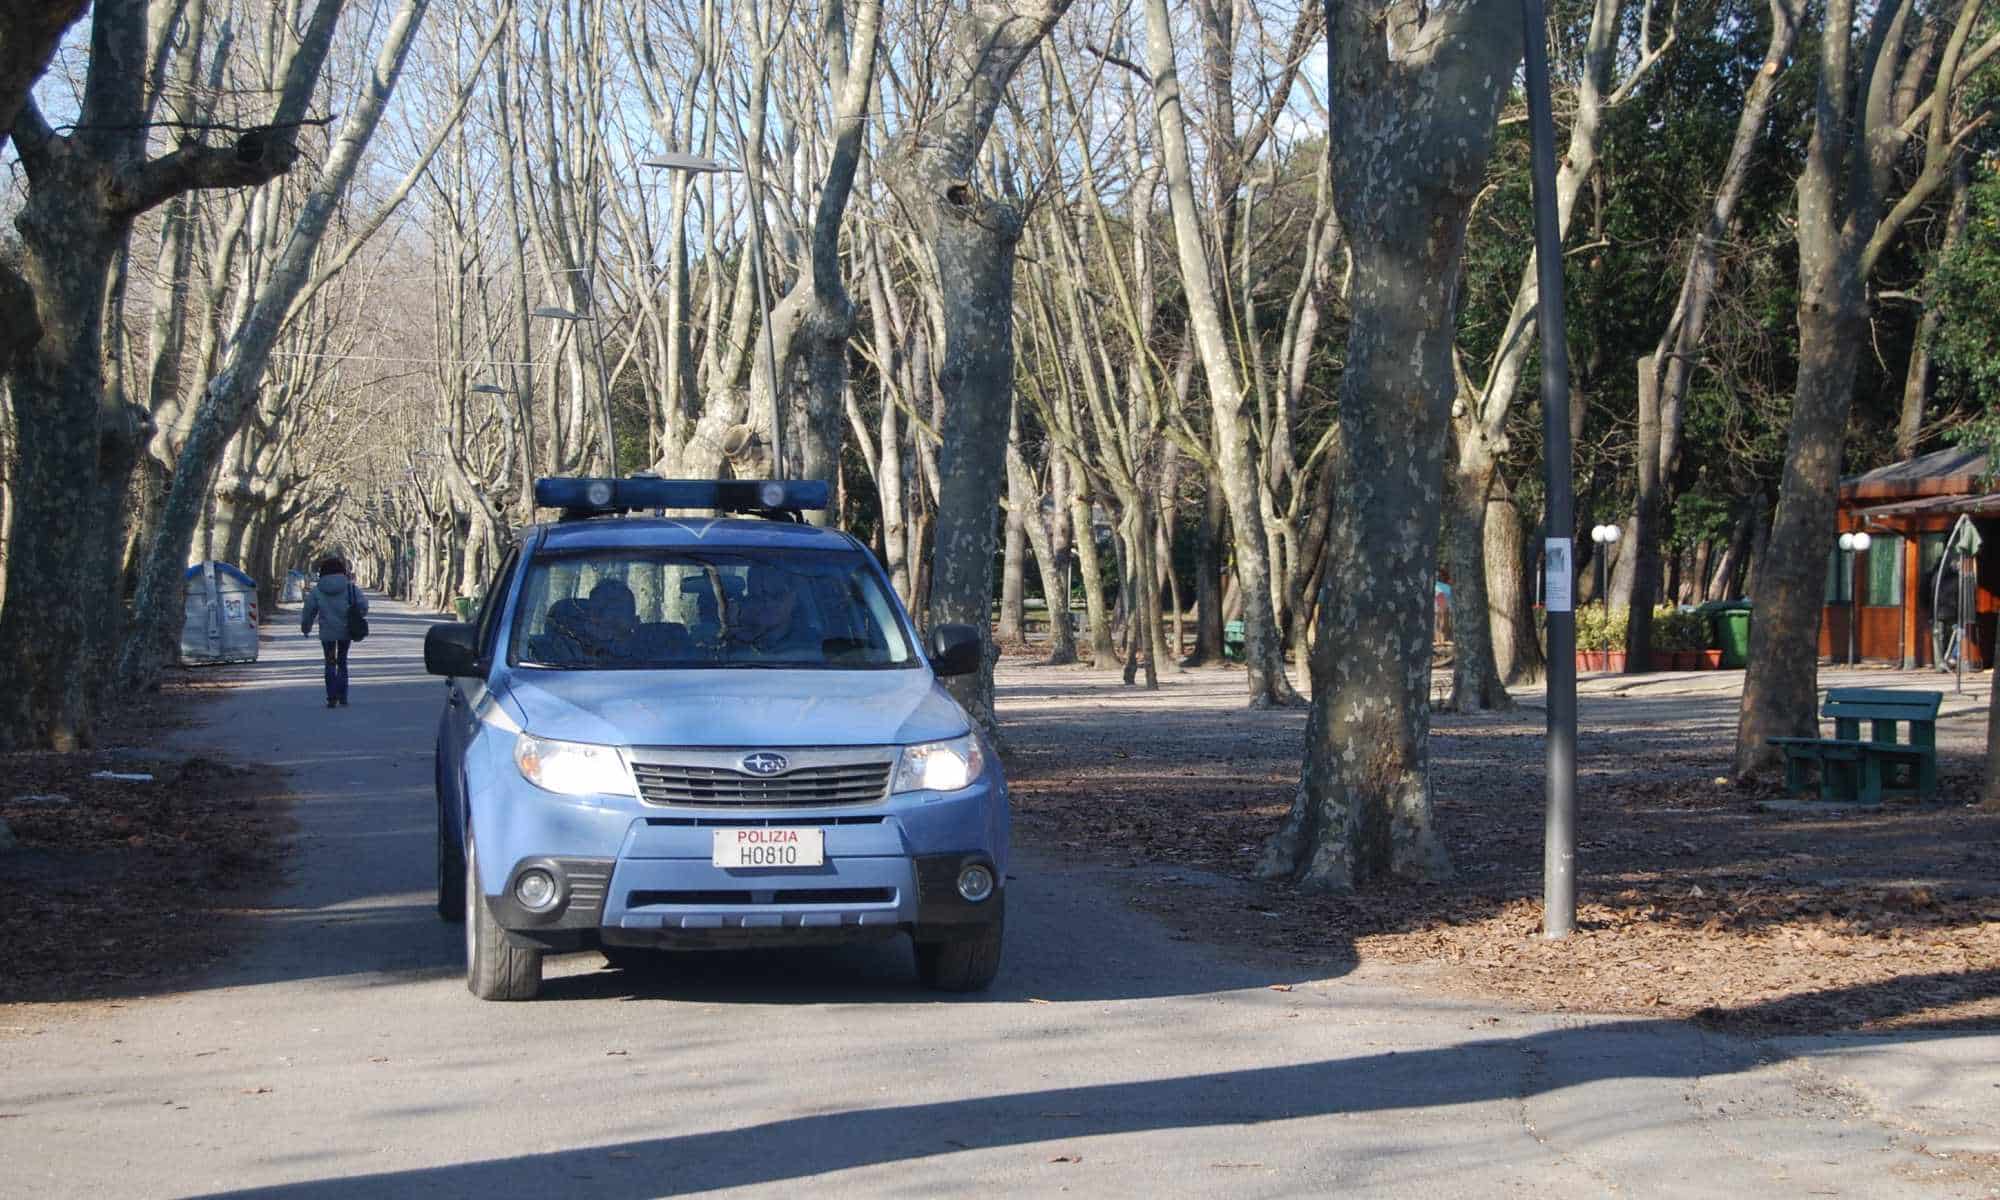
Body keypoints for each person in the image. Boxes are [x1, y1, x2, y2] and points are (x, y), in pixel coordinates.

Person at [301, 554, 368, 707]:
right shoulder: (350, 587)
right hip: (346, 631)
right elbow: (363, 606)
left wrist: (306, 627)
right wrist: (358, 615)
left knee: (330, 662)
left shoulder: (318, 591)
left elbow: (309, 611)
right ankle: (343, 696)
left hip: (327, 633)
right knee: (342, 662)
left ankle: (331, 697)